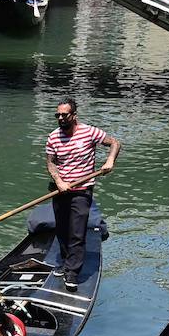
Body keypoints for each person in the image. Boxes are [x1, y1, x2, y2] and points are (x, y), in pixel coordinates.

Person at [45, 97, 120, 292]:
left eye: (64, 115)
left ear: (74, 115)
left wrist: (110, 161)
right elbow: (51, 162)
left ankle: (72, 272)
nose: (60, 118)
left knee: (77, 232)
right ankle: (64, 261)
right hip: (59, 188)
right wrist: (59, 181)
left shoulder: (90, 132)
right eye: (57, 115)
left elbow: (114, 143)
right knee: (61, 230)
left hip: (82, 189)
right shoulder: (53, 137)